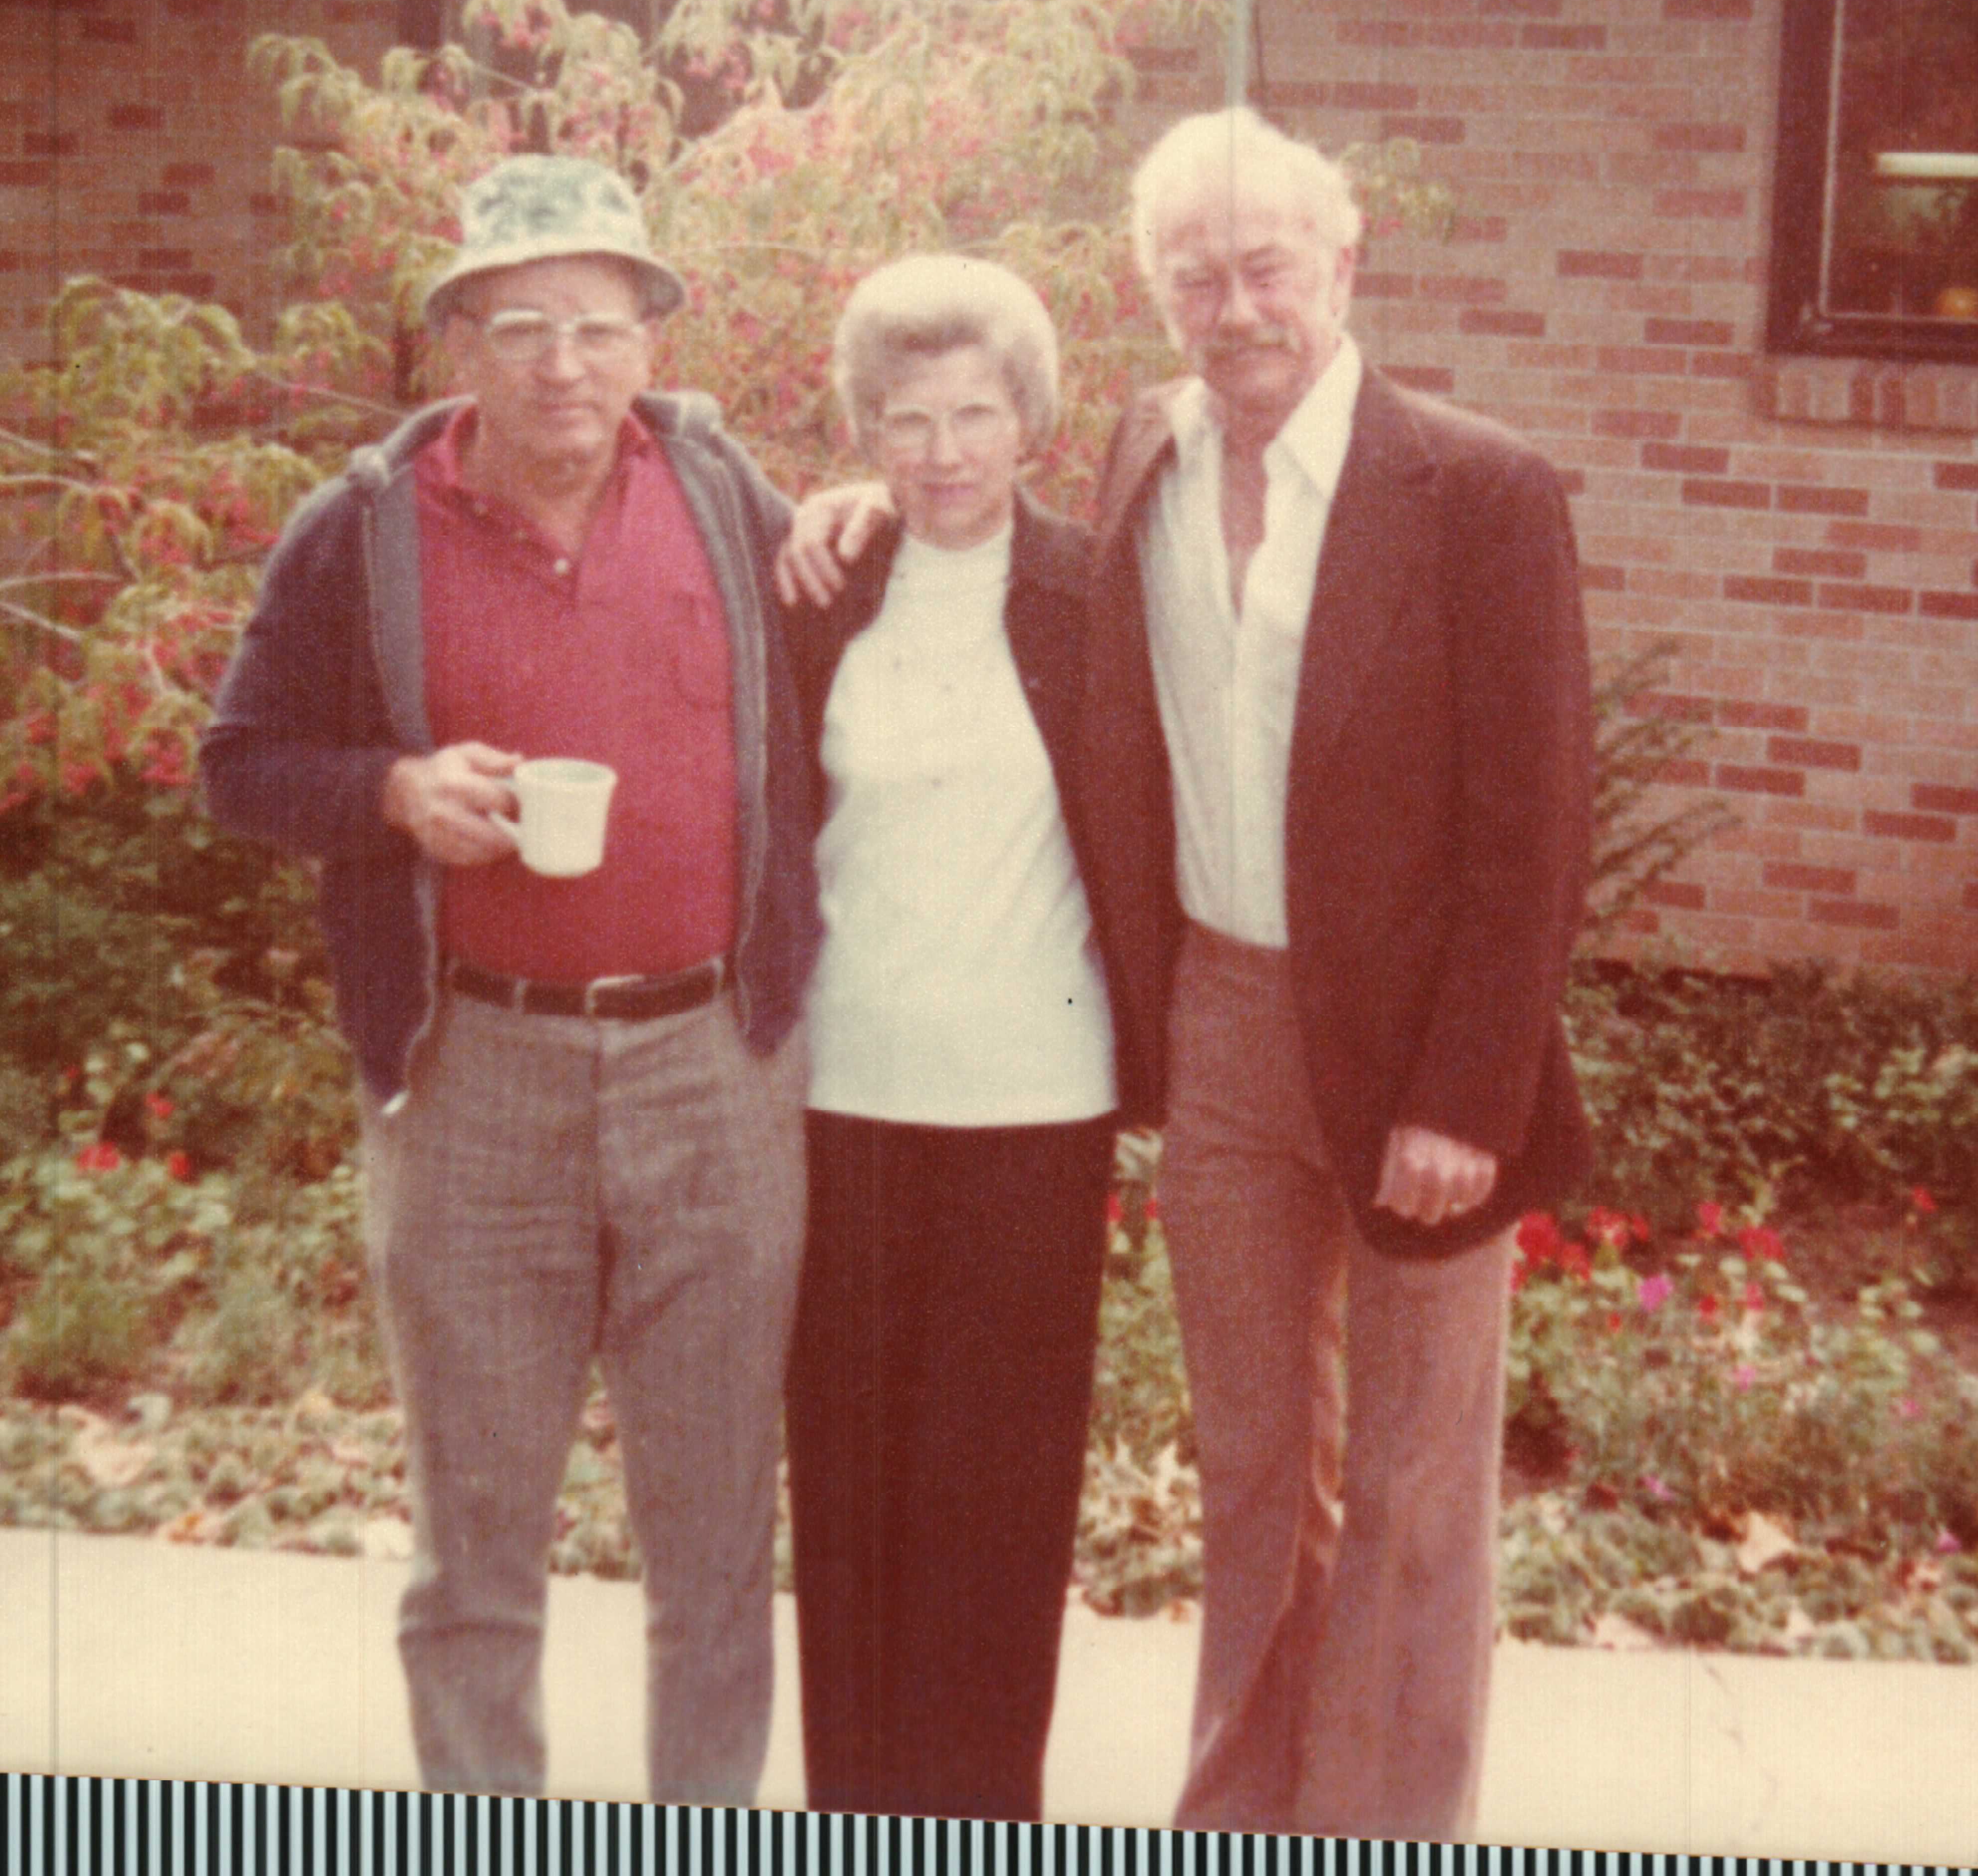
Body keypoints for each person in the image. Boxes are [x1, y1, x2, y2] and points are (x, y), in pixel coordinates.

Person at [783, 109, 1595, 1841]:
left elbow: (1534, 832)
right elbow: (976, 532)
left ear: (1345, 260)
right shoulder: (1147, 456)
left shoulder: (1480, 489)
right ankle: (1237, 1810)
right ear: (1157, 297)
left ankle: (1382, 1826)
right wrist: (869, 500)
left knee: (1414, 1486)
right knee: (1254, 1465)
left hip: (1417, 1045)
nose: (1236, 309)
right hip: (1224, 1021)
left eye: (1266, 268)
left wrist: (1470, 1093)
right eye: (1194, 277)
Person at [200, 154, 821, 1806]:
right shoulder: (361, 531)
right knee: (475, 1545)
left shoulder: (727, 500)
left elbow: (861, 689)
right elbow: (239, 763)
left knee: (716, 1538)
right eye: (524, 324)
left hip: (717, 1065)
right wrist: (393, 792)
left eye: (599, 325)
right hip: (473, 1071)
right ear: (461, 338)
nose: (564, 362)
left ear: (651, 340)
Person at [775, 254, 1118, 1820]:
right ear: (866, 434)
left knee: (998, 1511)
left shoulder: (1096, 596)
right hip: (842, 1098)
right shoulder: (822, 590)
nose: (943, 452)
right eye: (906, 420)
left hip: (1035, 1106)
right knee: (851, 1505)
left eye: (976, 414)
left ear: (1030, 422)